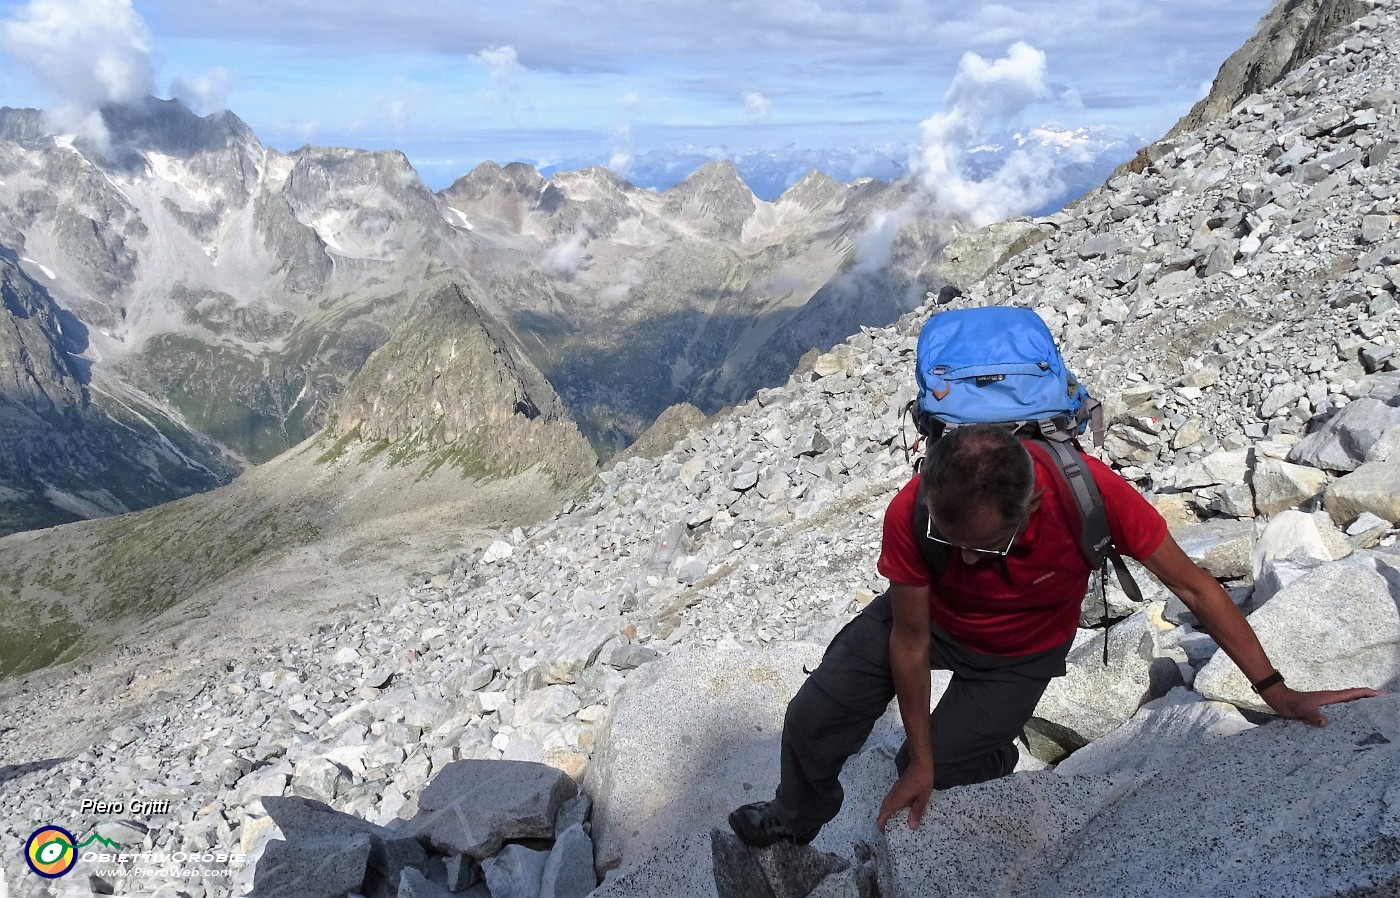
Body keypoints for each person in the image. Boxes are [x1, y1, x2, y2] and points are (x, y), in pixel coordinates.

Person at [729, 424, 1381, 847]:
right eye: (950, 541)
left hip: (1017, 656)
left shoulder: (1090, 495)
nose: (971, 560)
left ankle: (995, 756)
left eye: (987, 546)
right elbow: (907, 640)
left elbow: (1195, 589)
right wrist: (920, 754)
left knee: (939, 772)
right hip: (927, 619)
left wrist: (1277, 691)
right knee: (813, 716)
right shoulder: (915, 509)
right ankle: (797, 816)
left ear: (1032, 506)